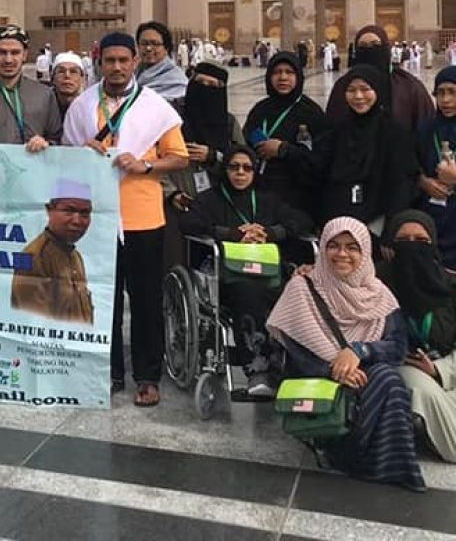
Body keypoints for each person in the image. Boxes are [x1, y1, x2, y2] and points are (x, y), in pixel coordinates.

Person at [64, 31, 188, 406]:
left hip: (143, 218)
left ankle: (147, 375)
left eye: (123, 60)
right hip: (96, 219)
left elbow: (180, 157)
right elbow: (64, 161)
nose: (116, 68)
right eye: (109, 61)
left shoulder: (156, 107)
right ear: (99, 63)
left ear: (136, 62)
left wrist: (145, 163)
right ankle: (110, 371)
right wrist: (82, 153)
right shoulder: (82, 107)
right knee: (103, 297)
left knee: (146, 298)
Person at [267, 218, 425, 491]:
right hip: (318, 378)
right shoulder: (302, 288)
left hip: (364, 372)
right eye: (334, 246)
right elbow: (292, 350)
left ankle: (383, 465)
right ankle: (348, 456)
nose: (342, 254)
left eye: (352, 247)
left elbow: (397, 346)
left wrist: (359, 350)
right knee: (383, 382)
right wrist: (334, 369)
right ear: (323, 249)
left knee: (388, 378)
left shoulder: (380, 295)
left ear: (364, 254)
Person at [180, 145, 307, 396]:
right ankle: (258, 369)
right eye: (234, 167)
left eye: (247, 167)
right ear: (225, 169)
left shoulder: (267, 199)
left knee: (299, 290)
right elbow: (189, 223)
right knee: (249, 294)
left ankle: (296, 366)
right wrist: (230, 234)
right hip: (227, 277)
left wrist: (270, 233)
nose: (240, 173)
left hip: (269, 274)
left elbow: (302, 220)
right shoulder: (210, 199)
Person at [283, 65, 419, 232]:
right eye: (351, 90)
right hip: (338, 223)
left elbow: (401, 184)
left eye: (365, 89)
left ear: (378, 90)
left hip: (377, 225)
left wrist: (392, 228)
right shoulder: (337, 132)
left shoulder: (394, 134)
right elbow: (318, 170)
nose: (358, 96)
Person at [379, 210, 456, 462]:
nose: (413, 247)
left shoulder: (451, 285)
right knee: (425, 391)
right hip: (400, 364)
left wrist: (438, 368)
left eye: (421, 241)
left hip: (445, 365)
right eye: (404, 240)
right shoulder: (377, 282)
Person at [163, 62, 244, 265]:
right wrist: (171, 193)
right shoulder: (171, 118)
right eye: (200, 83)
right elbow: (153, 158)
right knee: (175, 260)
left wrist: (214, 157)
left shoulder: (228, 123)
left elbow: (243, 162)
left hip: (216, 207)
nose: (206, 89)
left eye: (213, 85)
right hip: (177, 204)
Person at [245, 51, 329, 223]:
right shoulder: (260, 110)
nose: (283, 77)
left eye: (289, 72)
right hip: (260, 194)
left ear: (298, 76)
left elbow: (321, 161)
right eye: (277, 72)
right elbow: (244, 144)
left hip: (297, 200)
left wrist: (284, 150)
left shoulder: (311, 113)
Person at [10, 178, 94, 324]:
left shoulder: (75, 256)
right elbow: (32, 323)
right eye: (68, 210)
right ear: (49, 210)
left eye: (85, 213)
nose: (77, 220)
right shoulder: (34, 257)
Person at [326, 25, 434, 132]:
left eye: (375, 45)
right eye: (363, 46)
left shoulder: (409, 87)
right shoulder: (343, 86)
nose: (369, 50)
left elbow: (426, 129)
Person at [415, 66, 456, 269]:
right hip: (433, 217)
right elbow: (410, 165)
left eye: (452, 92)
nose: (446, 100)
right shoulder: (426, 128)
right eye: (440, 93)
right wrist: (423, 181)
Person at [135, 21, 188, 100]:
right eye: (144, 43)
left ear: (166, 48)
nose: (148, 48)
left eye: (155, 44)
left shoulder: (176, 81)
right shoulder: (134, 75)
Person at [51, 52, 86, 120]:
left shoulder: (90, 106)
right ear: (53, 78)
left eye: (73, 71)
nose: (67, 75)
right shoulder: (42, 105)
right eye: (61, 71)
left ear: (82, 78)